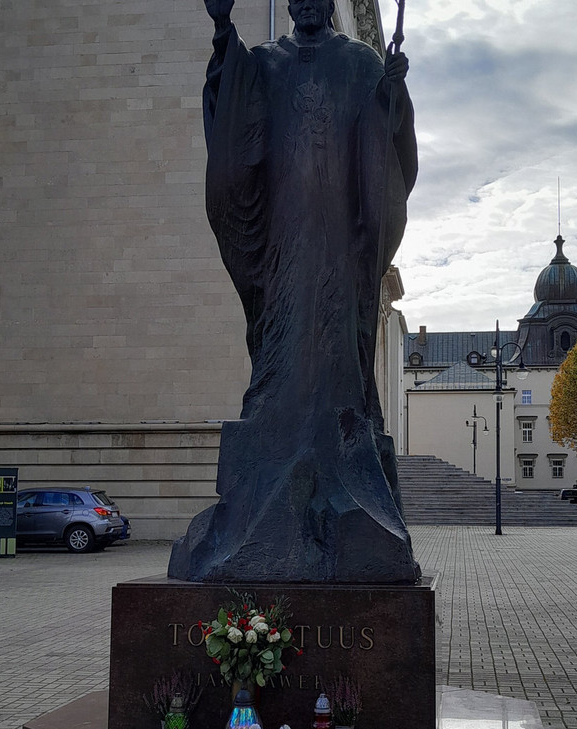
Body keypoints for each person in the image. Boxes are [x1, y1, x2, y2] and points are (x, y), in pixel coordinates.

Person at [168, 0, 419, 584]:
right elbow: (226, 119)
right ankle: (269, 487)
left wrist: (392, 96)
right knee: (279, 350)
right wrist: (223, 32)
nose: (306, 3)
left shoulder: (359, 63)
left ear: (330, 5)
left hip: (337, 238)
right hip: (284, 239)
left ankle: (345, 483)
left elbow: (392, 147)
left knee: (337, 350)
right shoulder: (264, 64)